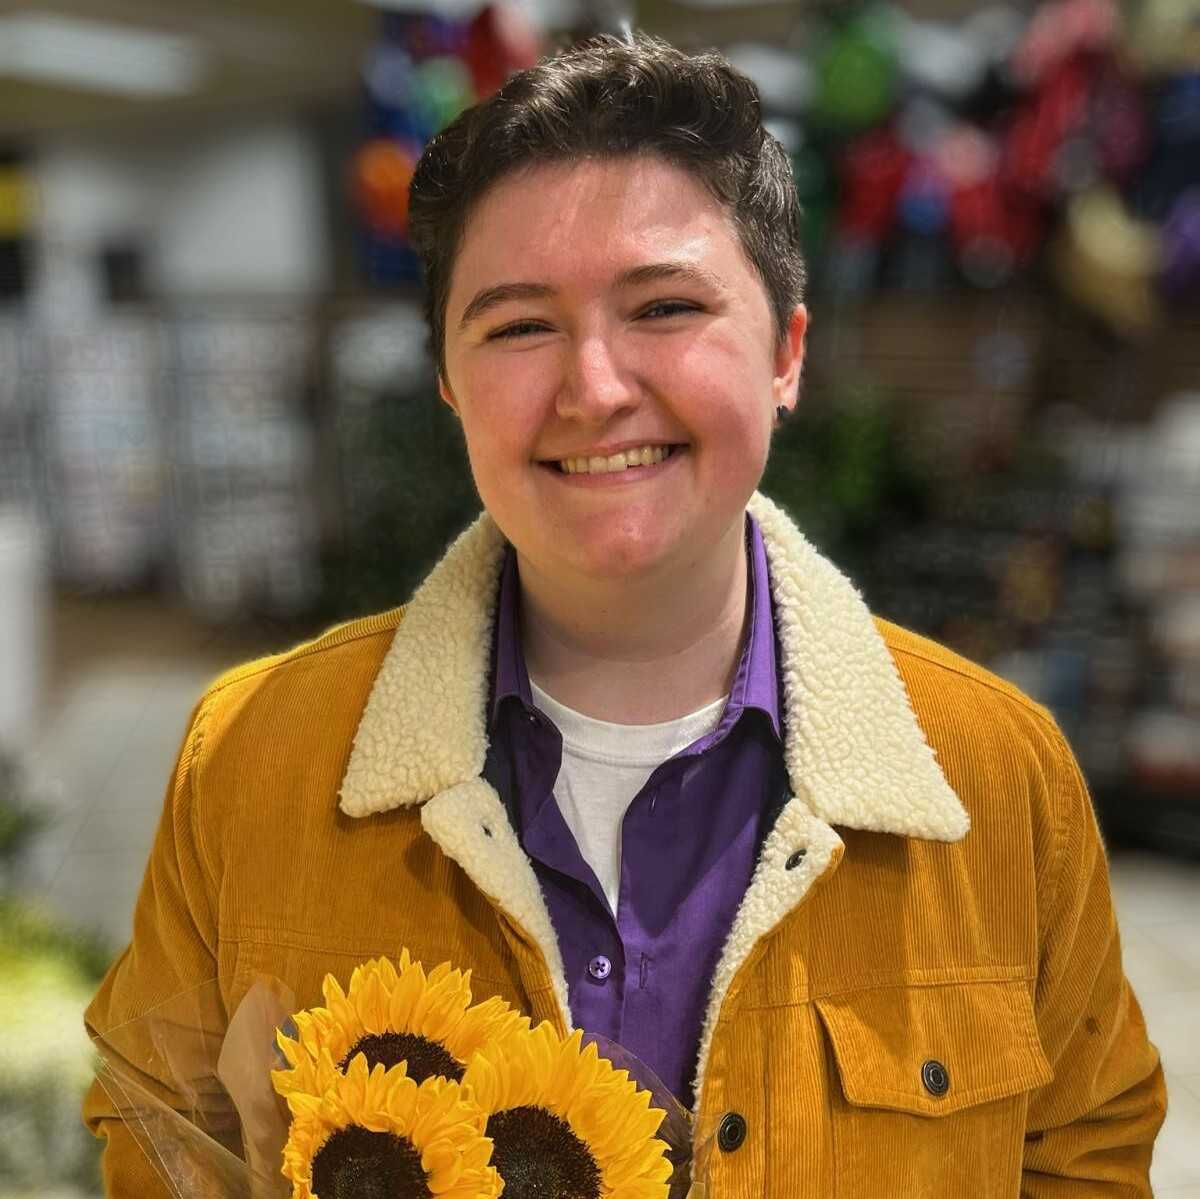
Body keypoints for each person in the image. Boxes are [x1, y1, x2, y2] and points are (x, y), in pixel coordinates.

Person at [84, 33, 1165, 1196]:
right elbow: (155, 1131)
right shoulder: (250, 758)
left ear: (787, 352)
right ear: (449, 379)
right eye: (518, 326)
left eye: (662, 307)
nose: (594, 387)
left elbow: (1084, 1151)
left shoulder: (997, 778)